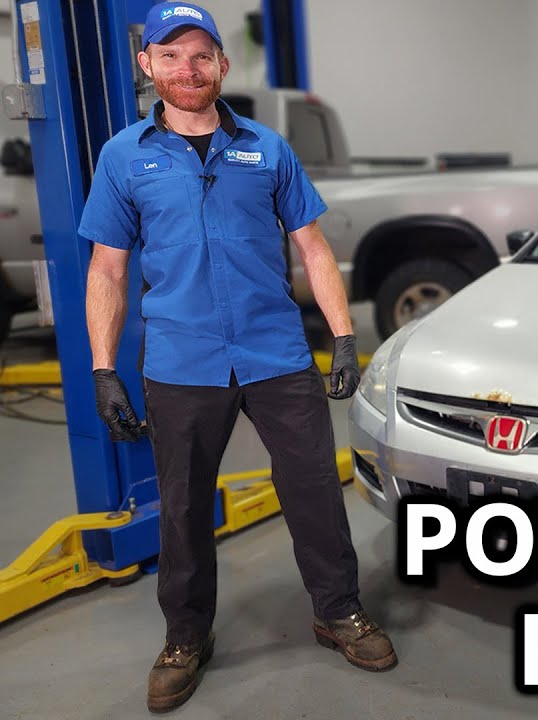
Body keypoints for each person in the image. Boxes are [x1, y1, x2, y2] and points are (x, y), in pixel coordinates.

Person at [79, 3, 396, 712]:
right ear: (147, 65)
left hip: (275, 351)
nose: (187, 69)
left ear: (222, 64)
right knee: (183, 506)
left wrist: (344, 336)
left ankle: (338, 610)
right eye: (170, 56)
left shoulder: (267, 148)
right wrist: (103, 369)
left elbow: (313, 247)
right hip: (181, 361)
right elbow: (107, 268)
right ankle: (185, 636)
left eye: (201, 55)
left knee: (314, 490)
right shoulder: (124, 156)